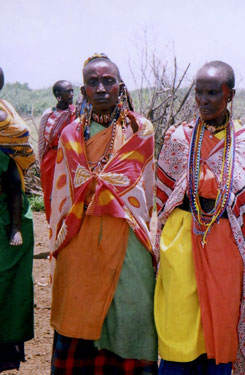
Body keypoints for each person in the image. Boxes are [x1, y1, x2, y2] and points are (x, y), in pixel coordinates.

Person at [49, 54, 158, 374]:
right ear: (83, 92)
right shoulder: (70, 135)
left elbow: (147, 190)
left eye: (108, 81)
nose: (101, 88)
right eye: (93, 82)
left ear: (120, 87)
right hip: (79, 237)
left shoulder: (141, 130)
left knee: (133, 306)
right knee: (78, 309)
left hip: (127, 236)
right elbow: (61, 195)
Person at [154, 61, 245, 375]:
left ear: (229, 94)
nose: (203, 99)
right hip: (181, 238)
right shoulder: (178, 137)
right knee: (179, 316)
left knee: (222, 318)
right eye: (199, 92)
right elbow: (162, 197)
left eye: (213, 92)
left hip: (227, 242)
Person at [0, 67, 35, 373]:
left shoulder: (3, 118)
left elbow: (12, 178)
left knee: (6, 283)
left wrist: (14, 226)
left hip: (5, 213)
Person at [0, 66, 36, 246]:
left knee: (13, 182)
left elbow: (18, 129)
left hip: (5, 154)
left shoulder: (3, 106)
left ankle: (16, 227)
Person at [38, 80, 76, 222]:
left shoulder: (77, 113)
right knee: (50, 193)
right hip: (51, 159)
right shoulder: (48, 115)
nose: (71, 94)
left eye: (72, 90)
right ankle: (53, 223)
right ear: (58, 95)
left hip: (71, 158)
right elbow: (42, 142)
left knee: (69, 192)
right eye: (68, 91)